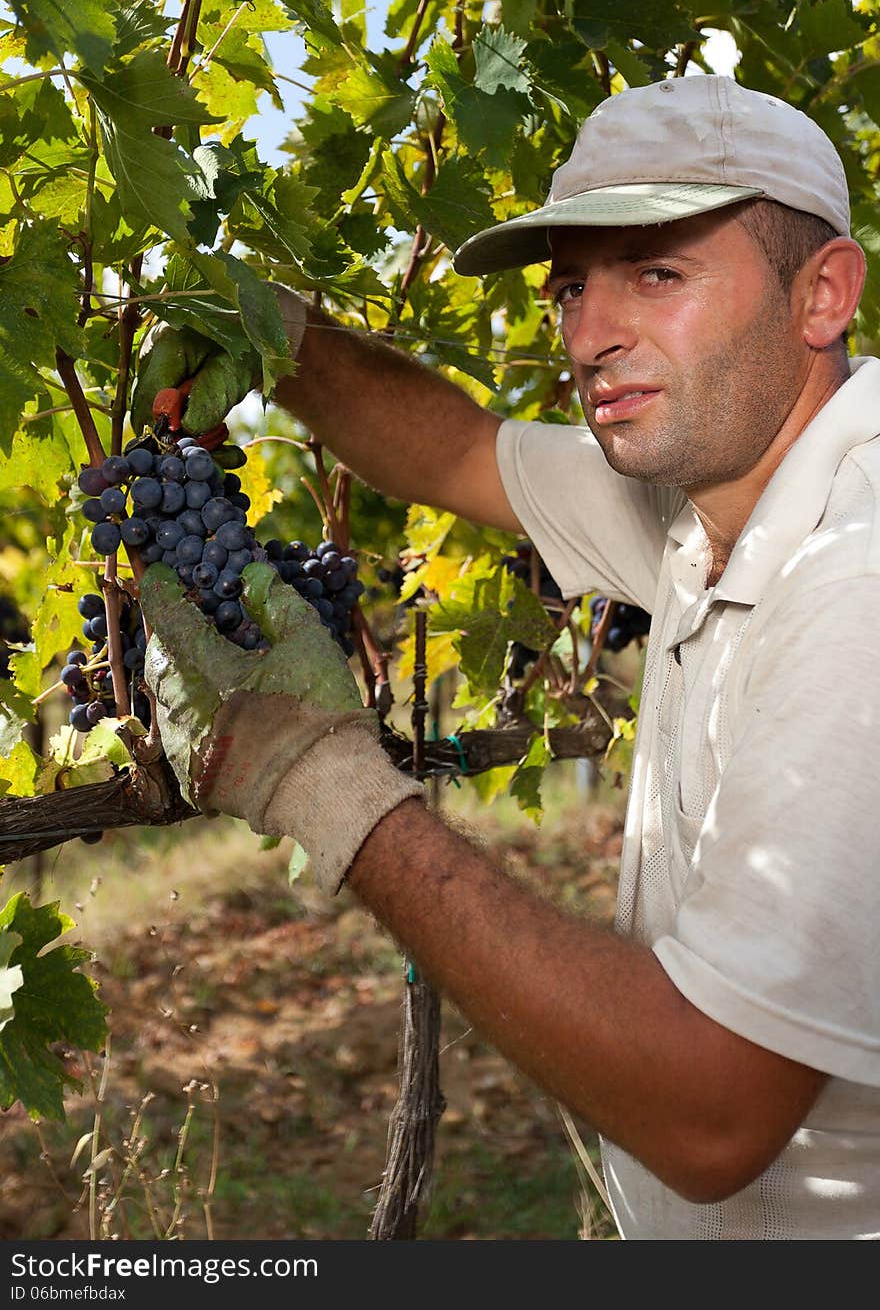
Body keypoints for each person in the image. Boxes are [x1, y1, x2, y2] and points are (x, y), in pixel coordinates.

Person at [135, 75, 880, 1240]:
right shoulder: (711, 495)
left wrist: (331, 788)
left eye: (657, 272)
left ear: (821, 294)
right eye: (572, 287)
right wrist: (275, 333)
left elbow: (710, 1113)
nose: (588, 336)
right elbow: (460, 450)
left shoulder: (856, 575)